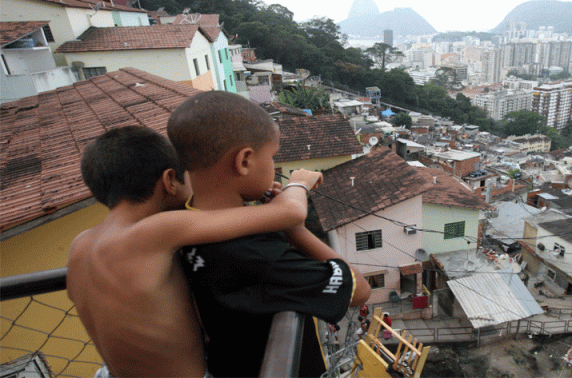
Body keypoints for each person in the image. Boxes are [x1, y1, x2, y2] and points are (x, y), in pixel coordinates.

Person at [67, 126, 325, 377]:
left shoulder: (79, 245)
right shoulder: (157, 230)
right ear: (169, 180)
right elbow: (289, 213)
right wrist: (298, 184)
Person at [167, 91, 371, 377]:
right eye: (273, 158)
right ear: (245, 161)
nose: (275, 169)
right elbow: (359, 290)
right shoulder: (255, 254)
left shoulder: (182, 224)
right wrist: (295, 229)